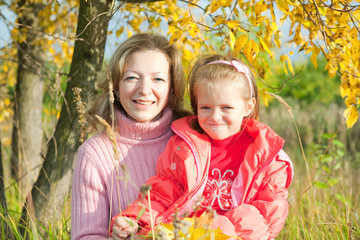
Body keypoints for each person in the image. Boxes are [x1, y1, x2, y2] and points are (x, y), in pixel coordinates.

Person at [110, 54, 294, 240]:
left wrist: (216, 231)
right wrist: (136, 220)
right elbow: (161, 196)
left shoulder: (267, 156)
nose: (214, 116)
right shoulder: (183, 148)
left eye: (226, 108)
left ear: (248, 106)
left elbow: (268, 212)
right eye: (205, 107)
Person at [71, 33, 189, 240]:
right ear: (115, 87)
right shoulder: (94, 154)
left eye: (158, 79)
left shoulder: (192, 140)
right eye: (132, 77)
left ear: (171, 89)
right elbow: (86, 236)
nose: (144, 90)